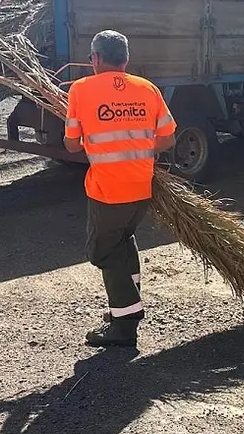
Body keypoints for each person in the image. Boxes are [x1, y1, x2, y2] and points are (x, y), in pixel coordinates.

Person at [63, 30, 178, 348]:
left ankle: (124, 326)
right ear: (126, 59)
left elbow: (71, 146)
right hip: (142, 188)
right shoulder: (148, 89)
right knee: (124, 241)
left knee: (104, 250)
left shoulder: (80, 90)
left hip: (107, 191)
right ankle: (124, 306)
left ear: (96, 59)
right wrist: (138, 146)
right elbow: (168, 139)